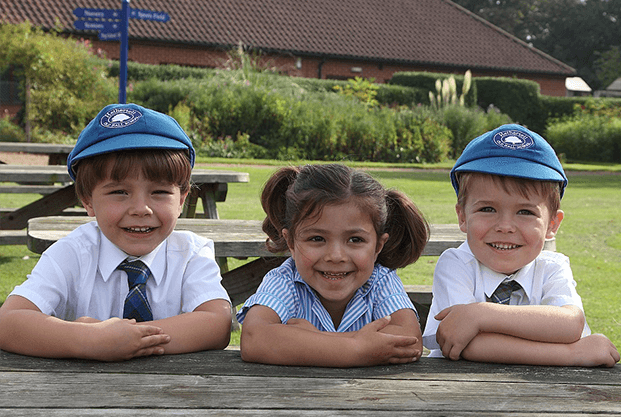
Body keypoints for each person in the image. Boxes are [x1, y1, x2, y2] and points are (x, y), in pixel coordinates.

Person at [0, 104, 232, 361]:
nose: (141, 209)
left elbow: (217, 323)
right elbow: (8, 321)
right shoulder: (72, 253)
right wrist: (90, 340)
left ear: (181, 200)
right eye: (119, 192)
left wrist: (127, 340)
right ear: (87, 200)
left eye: (159, 192)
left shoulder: (191, 253)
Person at [422, 124, 620, 366]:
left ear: (552, 225)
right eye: (487, 209)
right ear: (462, 216)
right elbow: (466, 345)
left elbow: (570, 324)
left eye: (525, 212)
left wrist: (480, 315)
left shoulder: (552, 267)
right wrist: (571, 354)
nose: (505, 226)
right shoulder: (456, 264)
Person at [237, 164, 428, 367]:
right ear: (291, 243)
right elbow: (253, 338)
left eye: (355, 240)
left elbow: (410, 340)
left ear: (378, 246)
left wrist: (313, 340)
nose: (336, 256)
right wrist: (356, 349)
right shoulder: (285, 281)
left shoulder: (380, 280)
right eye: (317, 238)